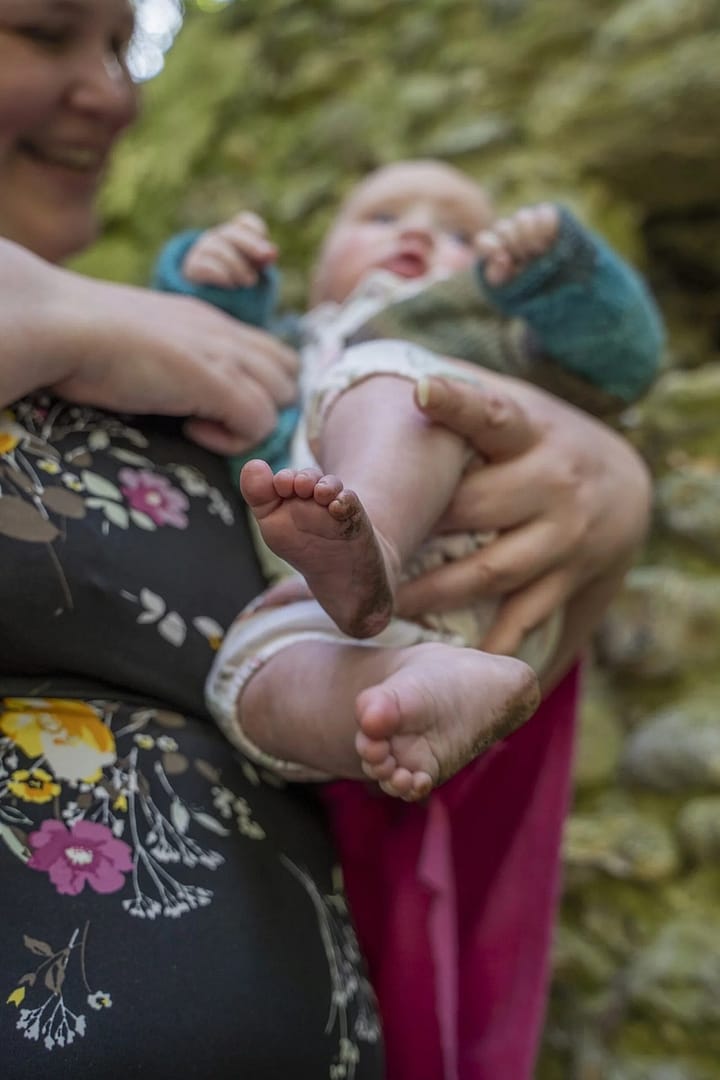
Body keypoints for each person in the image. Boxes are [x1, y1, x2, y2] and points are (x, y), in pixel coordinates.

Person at [0, 4, 653, 1078]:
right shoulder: (143, 336)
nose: (118, 92)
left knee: (349, 675)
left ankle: (386, 601)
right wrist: (53, 312)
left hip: (355, 644)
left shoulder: (202, 363)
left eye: (124, 48)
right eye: (46, 31)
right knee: (274, 674)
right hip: (298, 644)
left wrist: (610, 479)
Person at [154, 160, 662, 800]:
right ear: (315, 272)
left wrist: (559, 274)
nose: (417, 234)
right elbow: (201, 363)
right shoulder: (294, 348)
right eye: (384, 218)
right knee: (246, 674)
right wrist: (214, 285)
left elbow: (625, 365)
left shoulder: (494, 335)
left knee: (394, 377)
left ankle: (377, 542)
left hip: (494, 555)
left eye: (459, 236)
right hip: (353, 617)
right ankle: (416, 690)